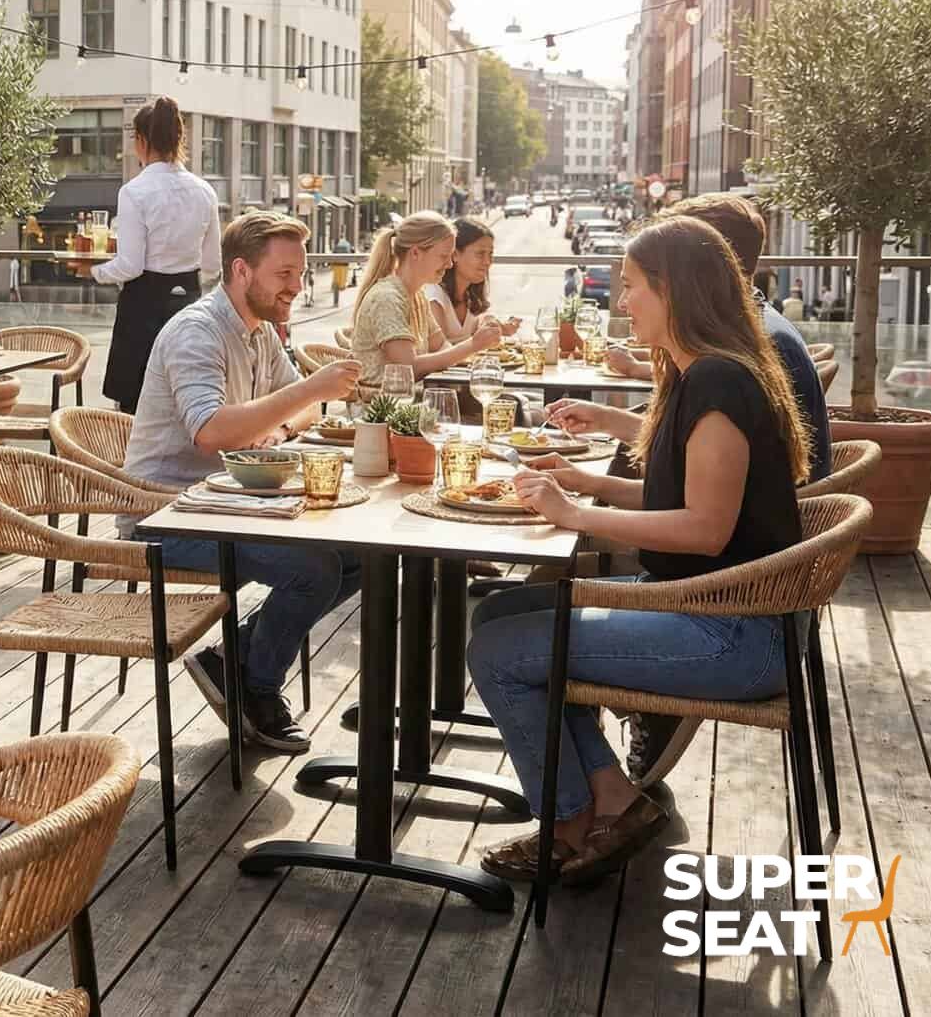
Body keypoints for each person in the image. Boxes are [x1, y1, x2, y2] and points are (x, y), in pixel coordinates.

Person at [468, 216, 810, 885]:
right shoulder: (697, 375)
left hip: (733, 634)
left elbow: (706, 529)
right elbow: (674, 498)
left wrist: (572, 512)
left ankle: (567, 825)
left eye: (631, 288)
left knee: (500, 650)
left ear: (672, 291)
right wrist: (586, 483)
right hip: (707, 609)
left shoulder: (720, 382)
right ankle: (615, 801)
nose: (621, 303)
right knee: (500, 615)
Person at [120, 211, 364, 753]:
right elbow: (209, 431)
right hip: (165, 515)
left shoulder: (258, 333)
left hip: (230, 502)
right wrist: (304, 396)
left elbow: (296, 413)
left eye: (299, 273)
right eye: (284, 274)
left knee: (358, 556)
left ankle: (234, 655)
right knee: (314, 568)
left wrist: (270, 427)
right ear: (241, 271)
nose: (297, 287)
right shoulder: (197, 332)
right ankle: (255, 687)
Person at [587, 195, 830, 485]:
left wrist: (577, 510)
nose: (622, 303)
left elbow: (706, 521)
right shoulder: (733, 337)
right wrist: (603, 420)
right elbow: (692, 446)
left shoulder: (738, 359)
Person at [91, 96, 222, 416]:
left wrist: (95, 271)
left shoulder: (135, 191)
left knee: (135, 409)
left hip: (142, 309)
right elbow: (212, 264)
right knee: (184, 402)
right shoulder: (205, 191)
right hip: (189, 306)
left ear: (141, 140)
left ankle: (131, 467)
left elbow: (130, 266)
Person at [347, 210, 500, 400]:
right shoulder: (387, 298)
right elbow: (408, 368)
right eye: (444, 256)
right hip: (382, 412)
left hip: (414, 403)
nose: (450, 264)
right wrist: (473, 345)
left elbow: (441, 348)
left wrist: (477, 351)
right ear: (416, 253)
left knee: (509, 404)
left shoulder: (417, 295)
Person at [423, 216, 522, 352]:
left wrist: (497, 325)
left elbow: (480, 323)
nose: (487, 261)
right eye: (480, 254)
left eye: (490, 254)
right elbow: (439, 353)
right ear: (455, 255)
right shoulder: (434, 297)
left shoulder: (470, 296)